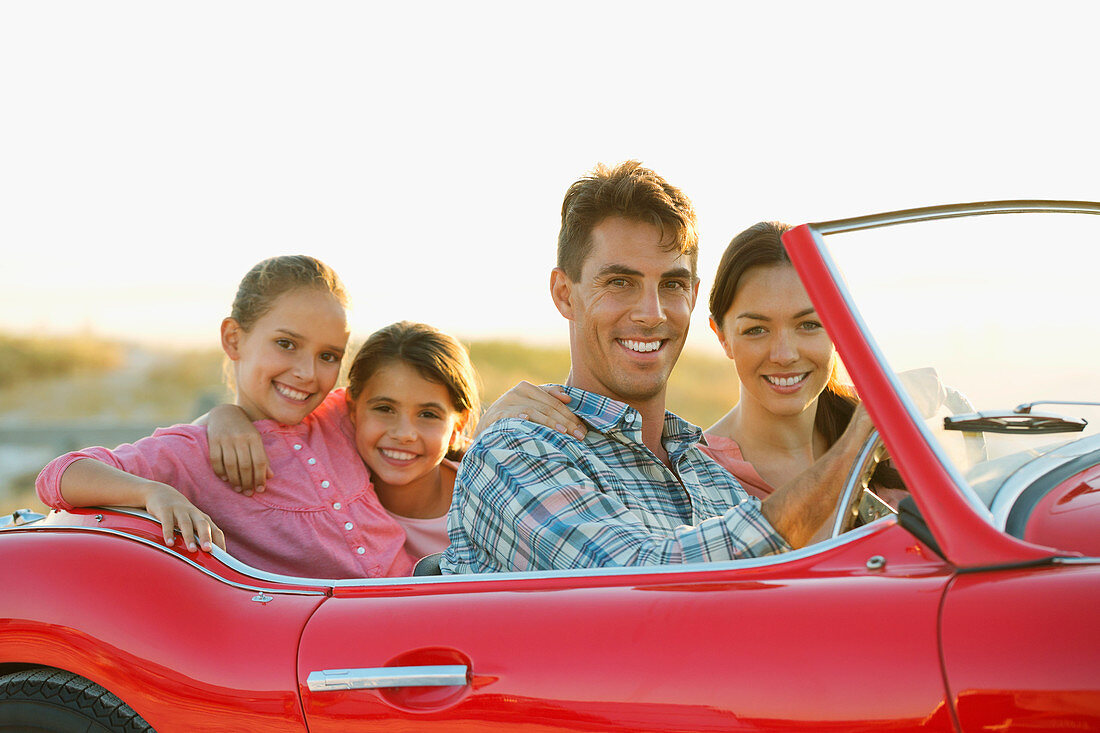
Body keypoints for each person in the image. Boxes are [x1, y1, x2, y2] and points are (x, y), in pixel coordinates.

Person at [443, 161, 877, 574]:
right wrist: (858, 443)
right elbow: (643, 582)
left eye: (671, 284)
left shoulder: (710, 474)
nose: (651, 313)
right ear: (564, 294)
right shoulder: (517, 449)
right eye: (620, 283)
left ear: (692, 295)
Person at [35, 255, 413, 579]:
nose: (307, 373)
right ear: (233, 339)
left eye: (328, 356)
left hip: (424, 592)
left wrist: (225, 413)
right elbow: (59, 475)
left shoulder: (340, 416)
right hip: (328, 637)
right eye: (286, 344)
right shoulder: (194, 452)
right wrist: (153, 492)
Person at [205, 321, 479, 560]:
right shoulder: (328, 473)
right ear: (352, 409)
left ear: (459, 424)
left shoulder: (483, 501)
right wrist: (225, 415)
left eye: (428, 414)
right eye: (384, 408)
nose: (404, 433)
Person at [702, 221, 904, 507]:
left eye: (809, 324)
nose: (784, 355)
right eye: (756, 329)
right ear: (722, 337)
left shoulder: (881, 423)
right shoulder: (698, 473)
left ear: (839, 327)